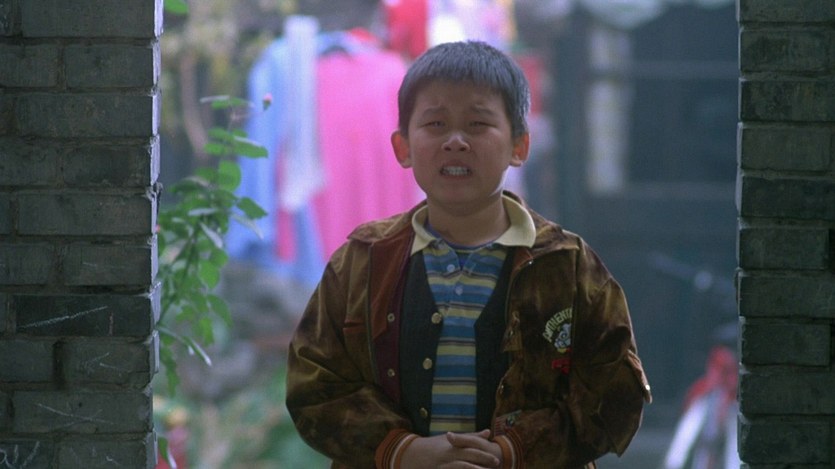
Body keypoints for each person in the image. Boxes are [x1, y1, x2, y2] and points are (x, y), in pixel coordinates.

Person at [286, 40, 652, 469]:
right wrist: (403, 451)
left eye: (478, 124)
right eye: (436, 124)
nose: (456, 141)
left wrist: (512, 451)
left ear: (519, 146)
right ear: (403, 147)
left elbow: (616, 394)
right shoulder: (363, 261)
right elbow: (314, 387)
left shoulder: (567, 265)